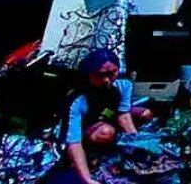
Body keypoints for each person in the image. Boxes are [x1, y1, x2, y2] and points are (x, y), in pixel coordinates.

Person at [44, 49, 138, 184]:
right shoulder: (78, 99)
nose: (106, 79)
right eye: (100, 75)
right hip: (82, 134)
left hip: (107, 120)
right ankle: (87, 160)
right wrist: (87, 180)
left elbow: (124, 115)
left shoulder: (123, 84)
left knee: (144, 114)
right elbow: (73, 142)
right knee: (105, 132)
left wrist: (136, 143)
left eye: (111, 73)